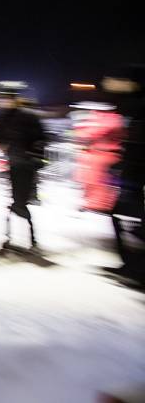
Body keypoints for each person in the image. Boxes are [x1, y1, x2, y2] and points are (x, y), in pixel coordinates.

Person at [0, 81, 47, 252]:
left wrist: (35, 159)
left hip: (26, 166)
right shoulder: (3, 116)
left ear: (11, 98)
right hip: (14, 164)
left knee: (19, 204)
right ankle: (23, 240)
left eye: (1, 98)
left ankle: (28, 241)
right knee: (16, 203)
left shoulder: (27, 116)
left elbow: (41, 139)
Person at [101, 66, 145, 281]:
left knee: (124, 218)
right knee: (121, 217)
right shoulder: (133, 107)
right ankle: (131, 266)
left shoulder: (137, 106)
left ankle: (134, 267)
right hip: (132, 176)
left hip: (136, 177)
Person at [72, 102, 125, 213]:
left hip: (104, 154)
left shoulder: (112, 119)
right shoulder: (97, 117)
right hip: (95, 154)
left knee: (99, 182)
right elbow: (82, 133)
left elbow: (90, 133)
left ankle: (98, 205)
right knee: (89, 180)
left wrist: (83, 131)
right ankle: (91, 202)